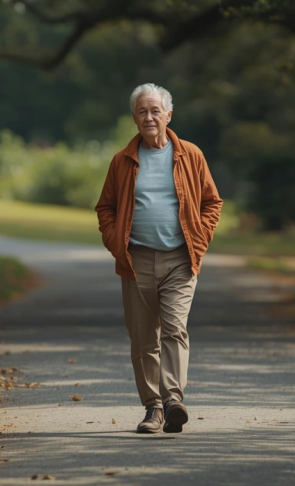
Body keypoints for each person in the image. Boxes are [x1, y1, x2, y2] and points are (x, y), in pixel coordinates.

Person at [95, 83, 223, 434]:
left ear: (169, 115)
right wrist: (115, 242)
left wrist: (201, 236)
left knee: (174, 328)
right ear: (134, 118)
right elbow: (105, 207)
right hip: (136, 260)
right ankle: (153, 408)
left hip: (181, 260)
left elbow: (212, 202)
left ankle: (172, 399)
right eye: (142, 111)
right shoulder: (122, 161)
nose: (149, 117)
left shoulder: (190, 155)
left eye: (155, 111)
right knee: (142, 338)